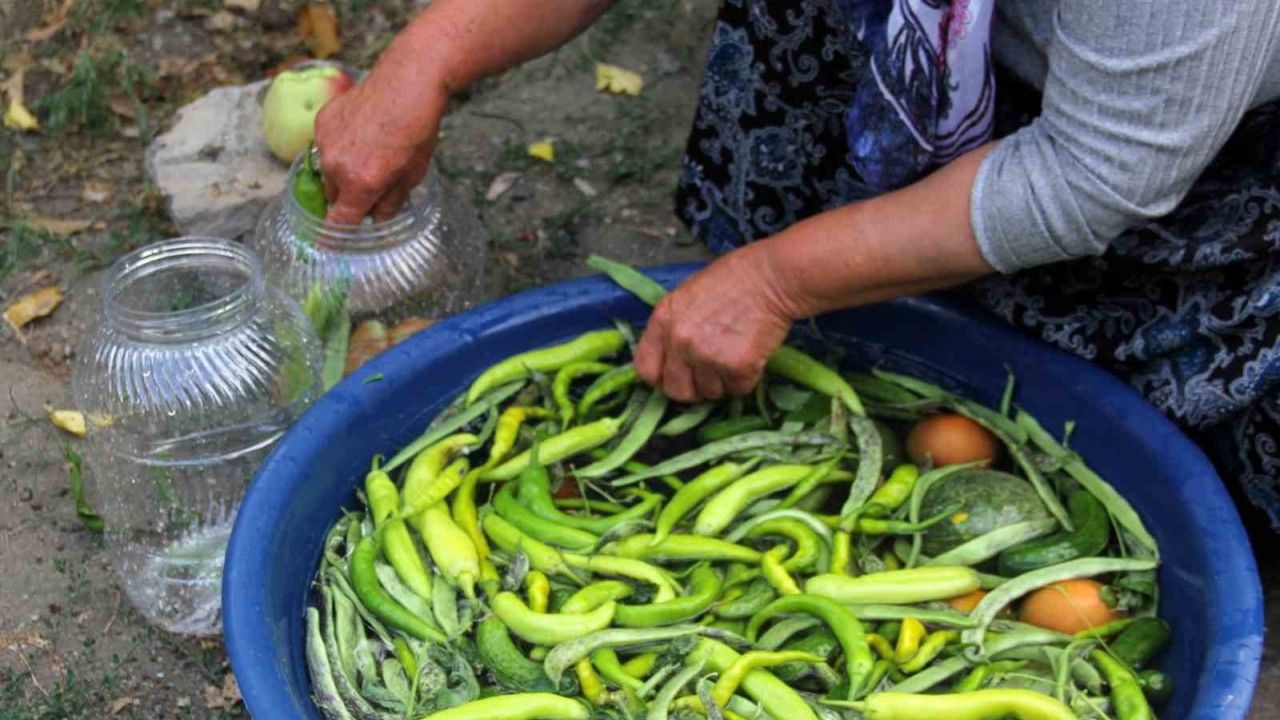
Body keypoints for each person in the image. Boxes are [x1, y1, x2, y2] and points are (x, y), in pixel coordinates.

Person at [315, 0, 1280, 532]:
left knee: (1161, 446)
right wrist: (428, 57)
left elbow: (1096, 171)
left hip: (1186, 143)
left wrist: (776, 281)